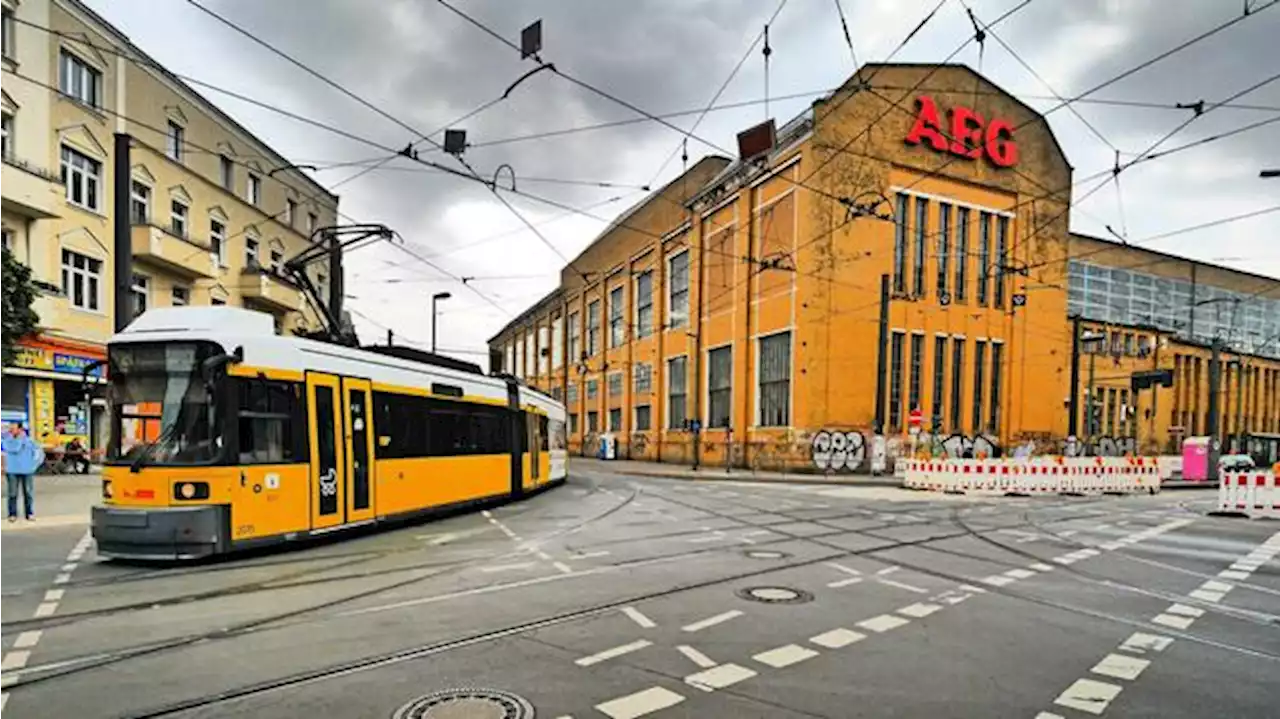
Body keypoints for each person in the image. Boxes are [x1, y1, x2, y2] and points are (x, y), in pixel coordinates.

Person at [2, 423, 44, 522]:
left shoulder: (29, 441)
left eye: (13, 428)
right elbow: (4, 451)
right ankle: (12, 514)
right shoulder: (7, 441)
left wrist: (34, 465)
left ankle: (29, 513)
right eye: (10, 428)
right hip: (12, 470)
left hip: (27, 470)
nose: (11, 430)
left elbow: (39, 453)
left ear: (20, 429)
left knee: (28, 493)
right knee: (12, 493)